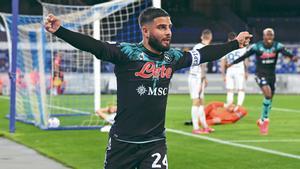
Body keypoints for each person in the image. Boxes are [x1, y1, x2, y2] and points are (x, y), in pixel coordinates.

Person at [45, 7, 251, 169]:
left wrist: (235, 44)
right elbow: (94, 45)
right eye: (162, 27)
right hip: (122, 143)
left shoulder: (173, 57)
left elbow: (205, 55)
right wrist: (60, 31)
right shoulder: (126, 53)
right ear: (145, 30)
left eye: (169, 27)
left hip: (155, 143)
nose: (168, 32)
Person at [228, 28, 296, 135]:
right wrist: (232, 63)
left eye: (271, 35)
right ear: (263, 36)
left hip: (271, 76)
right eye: (267, 35)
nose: (269, 37)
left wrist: (293, 57)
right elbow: (245, 56)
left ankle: (261, 120)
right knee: (268, 94)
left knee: (269, 100)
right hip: (260, 74)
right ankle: (266, 121)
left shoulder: (277, 46)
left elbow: (285, 52)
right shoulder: (257, 46)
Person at [188, 29, 214, 134]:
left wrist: (204, 78)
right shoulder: (204, 48)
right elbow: (202, 64)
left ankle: (204, 126)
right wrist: (203, 78)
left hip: (197, 77)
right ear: (210, 37)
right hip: (196, 78)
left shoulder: (197, 46)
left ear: (202, 37)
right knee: (196, 101)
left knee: (201, 101)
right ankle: (196, 127)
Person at [221, 32, 248, 111]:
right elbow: (245, 60)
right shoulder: (242, 47)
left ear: (228, 39)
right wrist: (246, 71)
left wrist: (223, 74)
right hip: (239, 69)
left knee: (230, 89)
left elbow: (223, 62)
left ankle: (229, 105)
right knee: (241, 89)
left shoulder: (225, 47)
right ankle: (238, 106)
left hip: (229, 70)